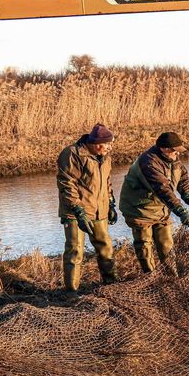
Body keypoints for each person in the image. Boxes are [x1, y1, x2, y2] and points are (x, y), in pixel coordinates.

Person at [118, 131, 189, 273]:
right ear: (164, 149)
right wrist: (181, 211)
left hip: (160, 208)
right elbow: (163, 189)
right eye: (175, 151)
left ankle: (171, 276)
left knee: (166, 244)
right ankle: (151, 276)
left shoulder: (172, 159)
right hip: (139, 209)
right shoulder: (148, 162)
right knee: (144, 246)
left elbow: (182, 178)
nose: (178, 154)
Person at [56, 123, 119, 291]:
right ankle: (71, 292)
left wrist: (111, 204)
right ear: (98, 144)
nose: (110, 148)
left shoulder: (105, 157)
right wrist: (78, 211)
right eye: (108, 144)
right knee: (75, 250)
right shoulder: (72, 154)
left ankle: (111, 284)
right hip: (75, 213)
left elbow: (107, 182)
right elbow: (67, 184)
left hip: (99, 211)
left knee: (105, 247)